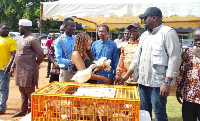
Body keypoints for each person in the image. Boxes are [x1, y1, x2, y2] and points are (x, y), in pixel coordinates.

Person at [114, 7, 182, 121]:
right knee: (144, 113)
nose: (143, 22)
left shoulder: (168, 33)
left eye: (145, 19)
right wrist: (125, 76)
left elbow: (175, 58)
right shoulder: (144, 35)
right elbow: (136, 58)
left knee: (159, 113)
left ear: (154, 18)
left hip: (158, 84)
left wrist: (167, 82)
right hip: (142, 83)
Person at [11, 19, 44, 117]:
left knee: (30, 92)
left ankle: (31, 113)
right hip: (20, 70)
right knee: (22, 91)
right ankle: (23, 110)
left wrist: (36, 63)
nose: (18, 28)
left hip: (29, 70)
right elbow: (17, 53)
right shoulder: (21, 38)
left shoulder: (32, 39)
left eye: (19, 26)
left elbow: (41, 54)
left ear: (24, 27)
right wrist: (13, 66)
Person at [176, 27, 200, 121]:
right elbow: (183, 72)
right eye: (196, 39)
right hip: (189, 96)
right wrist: (179, 88)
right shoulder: (189, 52)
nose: (198, 42)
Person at [0, 23, 17, 115]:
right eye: (4, 29)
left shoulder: (11, 41)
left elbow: (13, 55)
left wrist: (9, 66)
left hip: (4, 69)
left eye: (8, 29)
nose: (7, 30)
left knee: (3, 89)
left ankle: (2, 108)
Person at [54, 17, 76, 82]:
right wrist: (72, 62)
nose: (74, 28)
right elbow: (59, 59)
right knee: (66, 91)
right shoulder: (59, 41)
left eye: (74, 26)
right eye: (71, 26)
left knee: (77, 91)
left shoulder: (76, 38)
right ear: (65, 27)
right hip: (66, 72)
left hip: (77, 71)